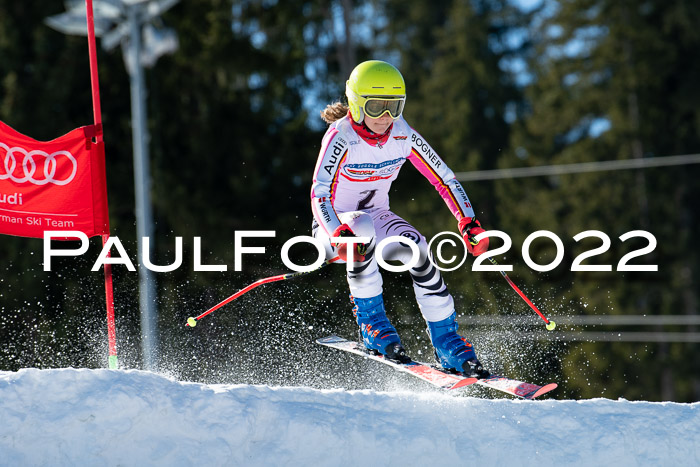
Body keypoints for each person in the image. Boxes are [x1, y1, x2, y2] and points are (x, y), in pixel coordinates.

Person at [310, 60, 490, 378]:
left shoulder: (402, 134)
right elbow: (320, 194)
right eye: (377, 106)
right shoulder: (341, 137)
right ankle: (373, 325)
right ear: (356, 103)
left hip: (376, 218)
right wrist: (338, 233)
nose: (386, 117)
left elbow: (444, 179)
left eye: (395, 106)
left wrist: (468, 222)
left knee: (417, 246)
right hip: (332, 229)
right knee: (361, 228)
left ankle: (448, 342)